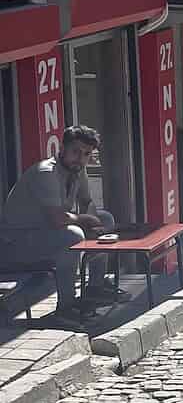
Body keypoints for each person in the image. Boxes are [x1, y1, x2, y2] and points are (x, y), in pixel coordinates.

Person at [0, 126, 116, 319]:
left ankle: (95, 288)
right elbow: (58, 219)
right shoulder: (46, 172)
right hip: (13, 245)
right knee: (72, 235)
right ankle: (66, 307)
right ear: (62, 148)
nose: (80, 158)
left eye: (86, 154)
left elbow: (86, 201)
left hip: (43, 234)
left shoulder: (78, 169)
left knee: (105, 218)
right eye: (75, 151)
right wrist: (86, 220)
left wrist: (95, 223)